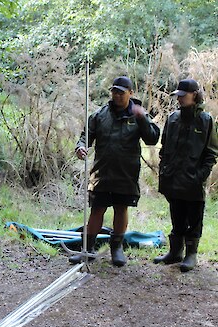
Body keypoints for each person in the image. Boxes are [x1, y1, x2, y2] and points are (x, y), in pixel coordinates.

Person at [69, 76, 160, 266]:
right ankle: (88, 248)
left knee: (121, 208)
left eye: (121, 92)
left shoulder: (139, 115)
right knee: (97, 210)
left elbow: (152, 139)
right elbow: (86, 136)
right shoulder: (100, 115)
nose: (117, 96)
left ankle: (116, 248)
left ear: (131, 93)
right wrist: (80, 147)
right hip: (101, 173)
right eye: (114, 92)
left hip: (126, 174)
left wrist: (142, 117)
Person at [154, 79, 218, 272]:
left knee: (194, 216)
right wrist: (164, 169)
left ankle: (191, 254)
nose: (179, 98)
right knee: (177, 215)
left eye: (183, 95)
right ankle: (175, 252)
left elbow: (211, 152)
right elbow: (164, 147)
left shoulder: (206, 120)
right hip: (173, 178)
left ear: (195, 95)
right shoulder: (173, 118)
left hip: (193, 180)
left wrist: (200, 175)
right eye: (178, 95)